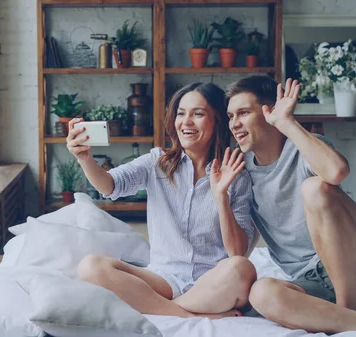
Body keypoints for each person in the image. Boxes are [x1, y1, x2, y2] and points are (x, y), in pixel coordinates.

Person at [225, 75, 356, 334]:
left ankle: (346, 308)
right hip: (316, 283)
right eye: (230, 116)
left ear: (269, 112)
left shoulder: (304, 147)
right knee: (261, 293)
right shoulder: (242, 173)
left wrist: (287, 122)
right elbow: (238, 252)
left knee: (315, 188)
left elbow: (337, 172)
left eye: (243, 113)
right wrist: (221, 195)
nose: (234, 124)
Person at [66, 82, 257, 319]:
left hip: (213, 281)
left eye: (198, 114)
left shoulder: (237, 176)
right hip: (163, 279)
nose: (186, 122)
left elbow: (237, 251)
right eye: (180, 113)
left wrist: (221, 196)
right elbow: (110, 185)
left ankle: (158, 305)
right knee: (90, 267)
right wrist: (85, 158)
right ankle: (189, 314)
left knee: (241, 268)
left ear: (218, 121)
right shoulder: (157, 162)